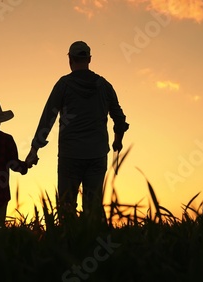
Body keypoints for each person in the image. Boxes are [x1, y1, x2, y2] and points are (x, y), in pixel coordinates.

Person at [25, 41, 129, 222]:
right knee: (93, 207)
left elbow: (47, 118)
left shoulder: (64, 85)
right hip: (97, 155)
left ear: (70, 60)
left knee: (66, 207)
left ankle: (68, 246)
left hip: (70, 156)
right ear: (89, 59)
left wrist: (35, 149)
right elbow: (119, 119)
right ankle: (91, 245)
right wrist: (117, 140)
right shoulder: (104, 86)